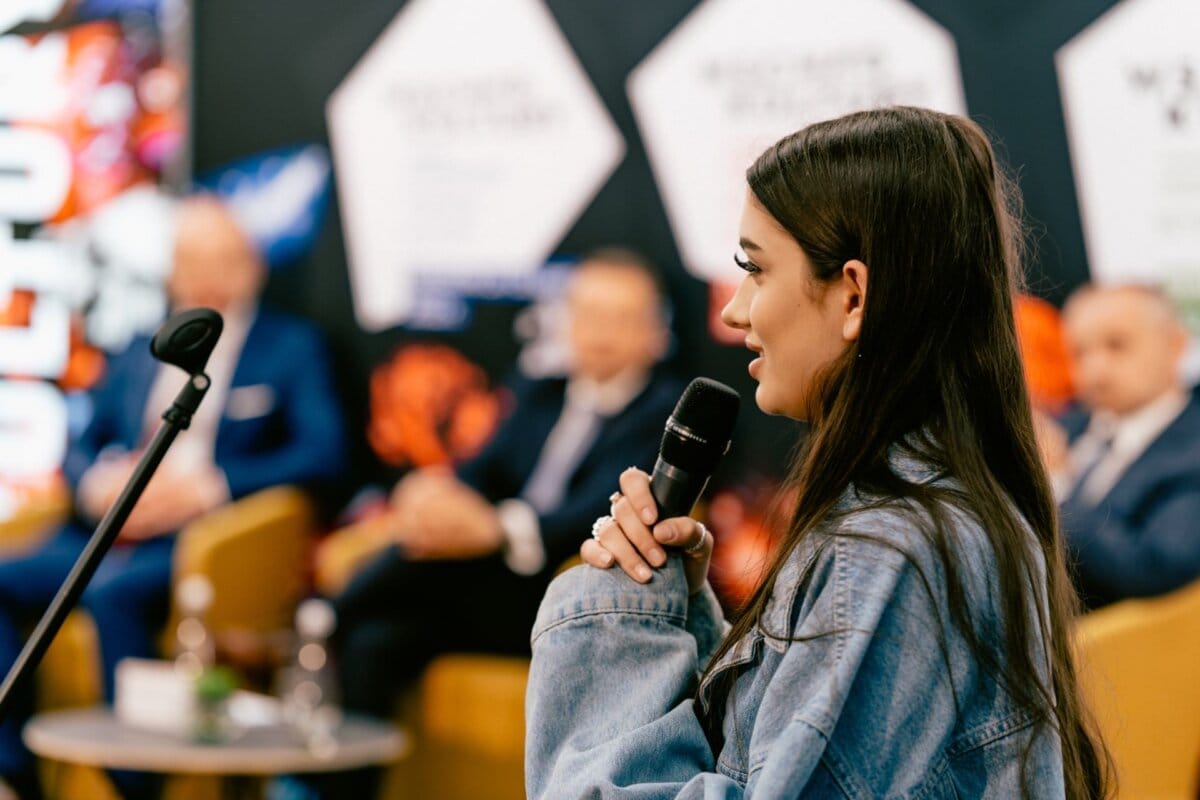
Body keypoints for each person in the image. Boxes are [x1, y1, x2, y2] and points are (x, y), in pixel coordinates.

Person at [525, 108, 1108, 799]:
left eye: (756, 270)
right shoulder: (933, 521)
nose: (735, 311)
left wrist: (616, 619)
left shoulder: (888, 551)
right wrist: (682, 607)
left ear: (854, 295)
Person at [0, 195, 346, 798]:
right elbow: (83, 443)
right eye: (189, 259)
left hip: (201, 538)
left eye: (220, 259)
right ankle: (12, 769)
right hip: (110, 524)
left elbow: (324, 453)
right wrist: (98, 482)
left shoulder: (291, 347)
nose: (203, 274)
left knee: (114, 594)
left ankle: (134, 781)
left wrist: (210, 489)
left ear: (252, 266)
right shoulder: (143, 345)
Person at [301, 250, 680, 799]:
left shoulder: (663, 415)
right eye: (590, 314)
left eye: (623, 318)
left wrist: (498, 530)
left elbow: (605, 512)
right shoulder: (541, 391)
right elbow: (481, 470)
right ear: (567, 321)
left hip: (563, 593)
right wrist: (443, 498)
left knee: (440, 559)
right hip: (478, 588)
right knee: (374, 645)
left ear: (653, 332)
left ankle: (321, 617)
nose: (603, 333)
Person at [1035, 284, 1200, 608]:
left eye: (1117, 346)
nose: (1095, 370)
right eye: (1079, 352)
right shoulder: (1065, 429)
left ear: (1176, 344)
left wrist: (1057, 486)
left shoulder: (1191, 452)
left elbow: (1156, 567)